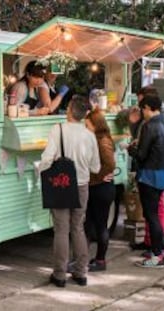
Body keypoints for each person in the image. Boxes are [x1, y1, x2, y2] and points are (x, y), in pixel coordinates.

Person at [39, 95, 101, 287]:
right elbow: (96, 168)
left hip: (61, 185)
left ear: (69, 110)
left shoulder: (57, 130)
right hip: (82, 186)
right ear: (84, 115)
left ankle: (59, 275)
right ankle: (81, 273)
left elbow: (48, 158)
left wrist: (40, 169)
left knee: (61, 230)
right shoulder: (90, 136)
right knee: (78, 228)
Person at [127, 95, 164, 268]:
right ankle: (160, 250)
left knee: (151, 216)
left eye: (143, 109)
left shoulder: (150, 126)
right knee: (156, 214)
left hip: (149, 175)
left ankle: (157, 255)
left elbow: (141, 155)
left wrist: (130, 149)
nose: (142, 113)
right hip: (162, 174)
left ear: (148, 108)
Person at [84, 109, 116, 272]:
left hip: (101, 189)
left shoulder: (102, 140)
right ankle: (82, 259)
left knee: (100, 225)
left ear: (95, 125)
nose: (85, 127)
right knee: (88, 224)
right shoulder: (96, 139)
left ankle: (100, 260)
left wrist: (98, 177)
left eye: (87, 124)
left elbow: (110, 165)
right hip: (96, 187)